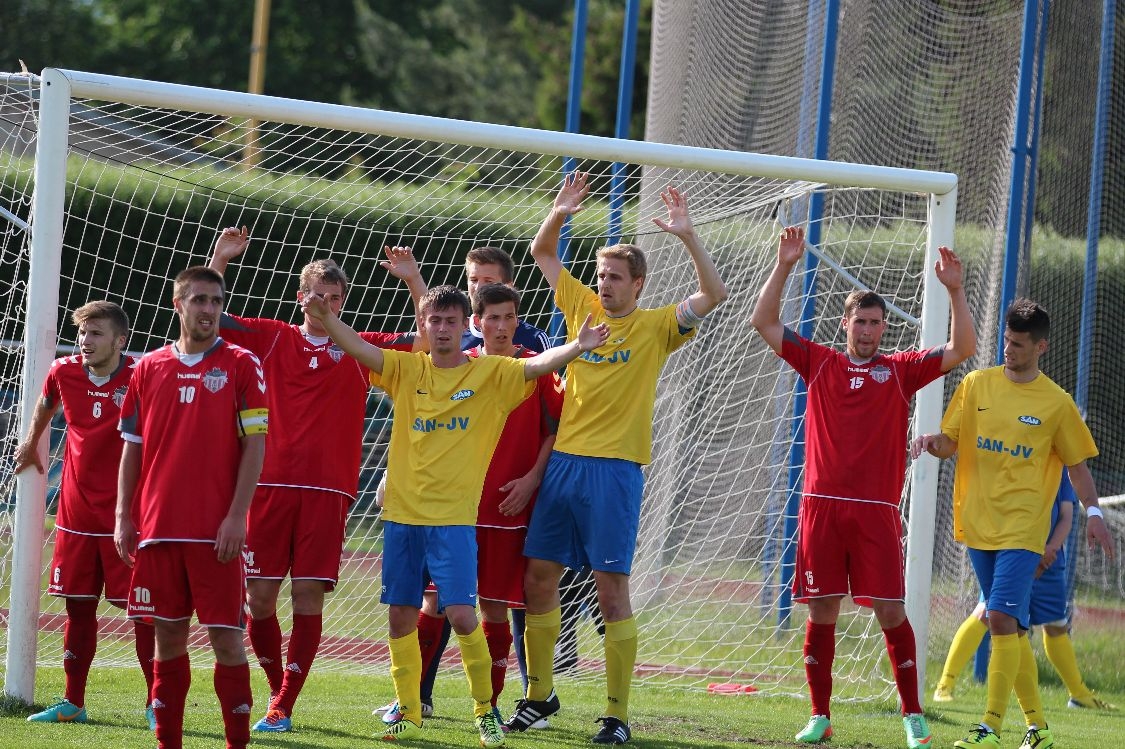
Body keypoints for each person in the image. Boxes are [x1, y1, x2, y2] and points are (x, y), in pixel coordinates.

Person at [303, 283, 609, 746]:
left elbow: (536, 365)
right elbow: (359, 348)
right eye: (434, 321)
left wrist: (577, 347)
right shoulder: (406, 369)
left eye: (450, 321)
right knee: (400, 616)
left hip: (453, 522)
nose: (441, 329)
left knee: (465, 615)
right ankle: (408, 710)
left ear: (463, 325)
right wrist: (325, 319)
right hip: (403, 518)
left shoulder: (490, 373)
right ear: (423, 326)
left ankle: (486, 711)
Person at [506, 174, 727, 745]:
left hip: (615, 473)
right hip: (564, 467)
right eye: (600, 276)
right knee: (537, 579)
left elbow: (714, 295)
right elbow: (542, 252)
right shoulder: (579, 303)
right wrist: (558, 211)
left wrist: (688, 236)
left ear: (638, 284)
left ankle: (616, 713)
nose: (603, 285)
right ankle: (538, 696)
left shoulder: (656, 327)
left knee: (610, 592)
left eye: (614, 278)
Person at [750, 225, 975, 748]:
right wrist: (784, 265)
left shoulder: (900, 371)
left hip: (875, 512)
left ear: (882, 329)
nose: (869, 331)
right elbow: (763, 321)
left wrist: (955, 290)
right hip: (821, 508)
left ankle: (913, 717)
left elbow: (963, 346)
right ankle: (820, 716)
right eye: (861, 322)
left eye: (876, 323)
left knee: (891, 611)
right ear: (845, 323)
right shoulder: (820, 362)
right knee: (821, 608)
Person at [207, 227, 424, 732]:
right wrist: (220, 258)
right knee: (258, 598)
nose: (324, 304)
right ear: (300, 297)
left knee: (306, 595)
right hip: (267, 485)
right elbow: (211, 316)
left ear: (343, 301)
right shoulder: (273, 337)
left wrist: (413, 280)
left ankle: (282, 704)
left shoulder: (361, 348)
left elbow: (428, 336)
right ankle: (279, 684)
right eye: (316, 295)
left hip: (328, 492)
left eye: (334, 297)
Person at [911, 298, 1115, 749]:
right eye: (1006, 340)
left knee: (1000, 617)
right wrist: (931, 442)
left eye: (1019, 344)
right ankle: (1038, 728)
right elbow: (952, 443)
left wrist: (1094, 513)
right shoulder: (976, 385)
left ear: (1041, 347)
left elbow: (1078, 467)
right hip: (979, 524)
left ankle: (990, 727)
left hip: (1024, 530)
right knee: (1016, 629)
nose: (1009, 349)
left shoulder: (1057, 403)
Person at [114, 266, 268, 749]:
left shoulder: (242, 363)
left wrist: (236, 515)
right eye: (199, 300)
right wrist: (123, 516)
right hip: (160, 528)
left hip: (215, 532)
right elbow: (132, 448)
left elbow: (256, 445)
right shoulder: (148, 367)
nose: (208, 309)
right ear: (179, 304)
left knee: (226, 640)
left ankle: (236, 744)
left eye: (216, 301)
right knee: (168, 640)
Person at [15, 301, 156, 726]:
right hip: (75, 515)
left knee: (142, 611)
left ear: (120, 340)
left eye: (96, 334)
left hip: (128, 517)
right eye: (82, 333)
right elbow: (46, 403)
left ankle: (157, 703)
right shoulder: (64, 372)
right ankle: (73, 701)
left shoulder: (142, 377)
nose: (85, 341)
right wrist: (30, 441)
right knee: (77, 607)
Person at [933, 471, 1117, 711]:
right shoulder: (1016, 456)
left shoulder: (1061, 468)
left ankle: (1078, 695)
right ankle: (945, 685)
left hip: (1049, 561)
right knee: (987, 613)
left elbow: (1066, 516)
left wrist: (1050, 549)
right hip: (1013, 552)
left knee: (1056, 625)